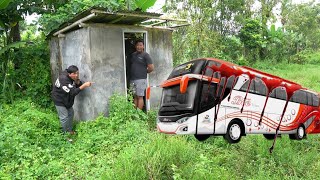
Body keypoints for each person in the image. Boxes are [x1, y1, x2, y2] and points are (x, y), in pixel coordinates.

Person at [51, 65, 92, 135]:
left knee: (70, 114)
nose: (77, 75)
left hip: (66, 99)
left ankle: (69, 131)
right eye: (75, 74)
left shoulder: (67, 73)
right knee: (64, 117)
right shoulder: (64, 80)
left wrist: (78, 82)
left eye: (77, 73)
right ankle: (65, 135)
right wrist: (84, 85)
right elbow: (73, 92)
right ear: (69, 74)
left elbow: (75, 85)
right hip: (59, 99)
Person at [130, 39, 154, 110]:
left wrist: (144, 72)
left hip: (141, 79)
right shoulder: (133, 55)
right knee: (134, 96)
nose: (139, 47)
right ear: (135, 46)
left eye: (140, 45)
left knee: (140, 96)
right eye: (137, 45)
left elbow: (151, 68)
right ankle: (135, 114)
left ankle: (139, 115)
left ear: (143, 46)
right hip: (132, 79)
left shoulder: (146, 55)